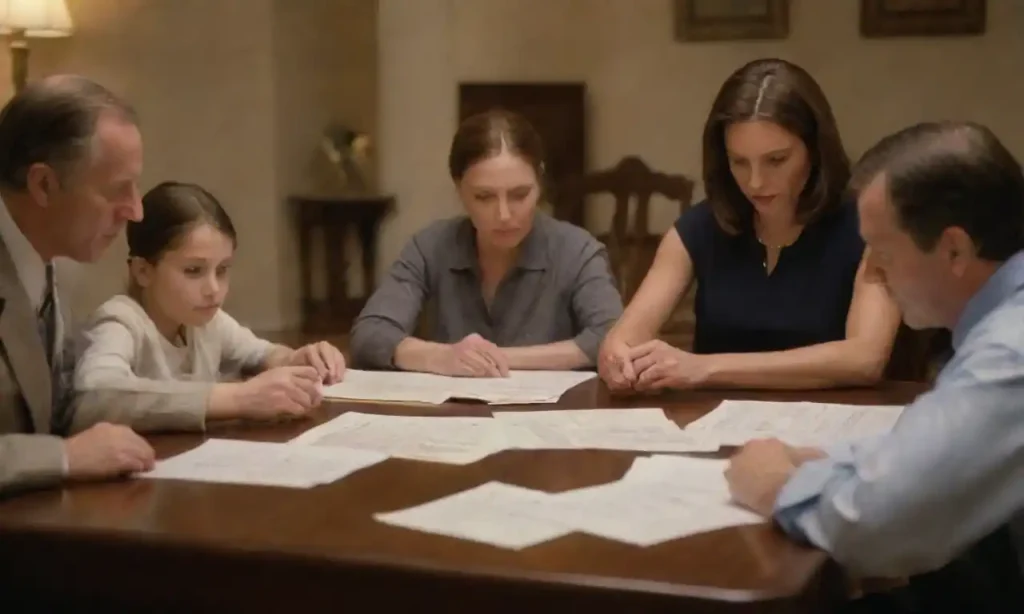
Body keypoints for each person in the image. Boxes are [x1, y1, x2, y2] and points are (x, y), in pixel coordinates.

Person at [726, 121, 1024, 612]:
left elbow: (880, 521)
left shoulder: (1009, 349)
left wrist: (778, 485)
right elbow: (946, 443)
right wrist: (833, 462)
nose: (873, 272)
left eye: (883, 253)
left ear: (954, 249)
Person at [599, 58, 900, 393]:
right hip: (716, 429)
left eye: (776, 160)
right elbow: (623, 339)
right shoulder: (699, 227)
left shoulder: (869, 225)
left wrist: (706, 367)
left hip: (834, 431)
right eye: (739, 162)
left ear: (816, 150)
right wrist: (617, 359)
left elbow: (864, 358)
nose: (755, 182)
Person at [349, 109, 623, 377]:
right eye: (484, 197)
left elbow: (613, 337)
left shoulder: (577, 251)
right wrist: (441, 357)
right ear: (459, 189)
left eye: (519, 195)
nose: (504, 215)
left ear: (540, 182)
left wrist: (494, 359)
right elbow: (371, 333)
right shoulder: (430, 247)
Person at [73, 181, 346, 433]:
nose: (214, 289)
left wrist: (301, 360)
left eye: (223, 270)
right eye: (194, 270)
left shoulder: (207, 323)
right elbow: (94, 395)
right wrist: (238, 399)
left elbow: (261, 354)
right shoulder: (119, 322)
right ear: (143, 271)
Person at [0, 75, 157, 494]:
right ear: (44, 185)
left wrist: (237, 398)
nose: (136, 211)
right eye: (117, 190)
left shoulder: (48, 260)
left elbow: (70, 401)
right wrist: (65, 458)